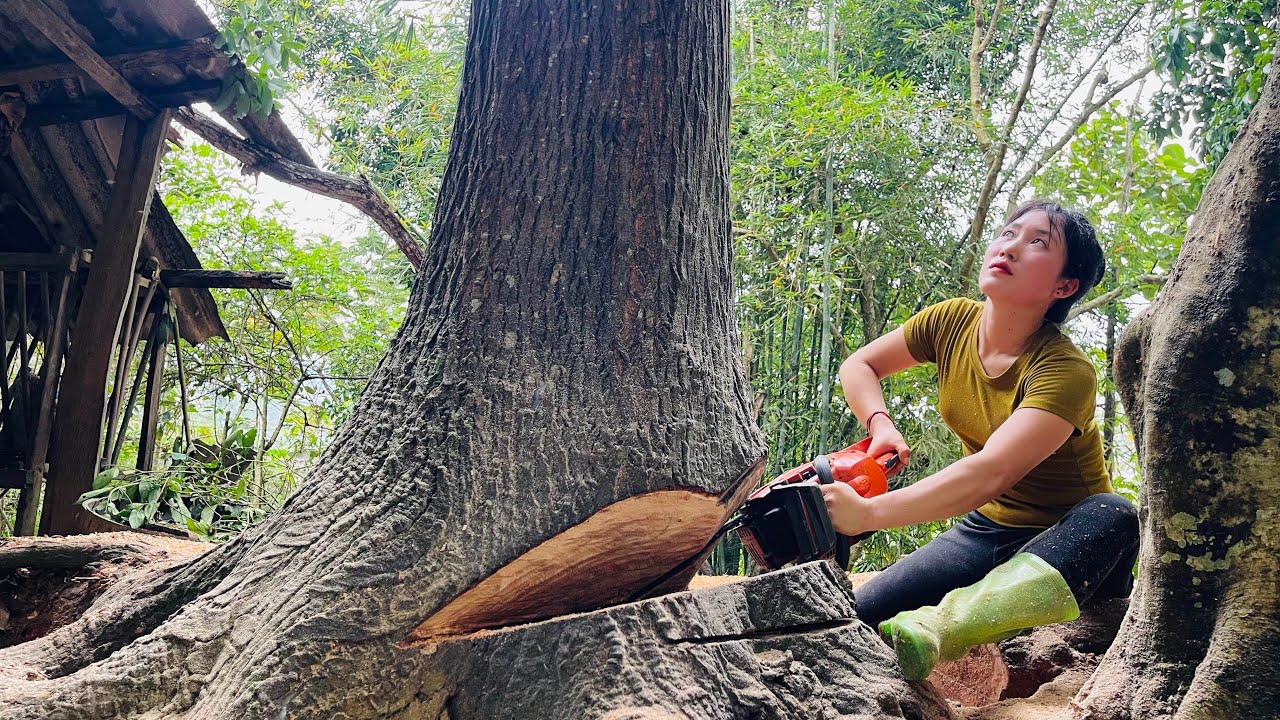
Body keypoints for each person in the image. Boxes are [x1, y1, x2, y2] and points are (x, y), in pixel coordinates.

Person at [822, 200, 1138, 680]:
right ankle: (949, 619)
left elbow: (992, 472)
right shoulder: (950, 322)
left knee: (1115, 513)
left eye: (1036, 242)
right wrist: (879, 423)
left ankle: (944, 626)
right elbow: (859, 365)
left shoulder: (1065, 370)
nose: (1010, 246)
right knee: (861, 613)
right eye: (1009, 232)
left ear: (1064, 286)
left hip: (1073, 542)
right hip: (987, 532)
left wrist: (868, 515)